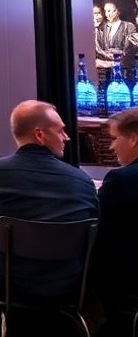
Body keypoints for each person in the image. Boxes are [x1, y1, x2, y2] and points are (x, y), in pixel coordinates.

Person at [0, 101, 99, 336]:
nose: (67, 137)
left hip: (5, 286)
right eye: (60, 130)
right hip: (67, 286)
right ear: (39, 134)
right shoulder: (81, 180)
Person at [97, 108, 138, 337]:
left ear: (133, 139)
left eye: (114, 138)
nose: (111, 147)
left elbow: (99, 234)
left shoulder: (121, 180)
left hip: (127, 293)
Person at [97, 0, 135, 82]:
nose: (109, 14)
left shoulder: (128, 26)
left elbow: (130, 50)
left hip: (124, 71)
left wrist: (118, 53)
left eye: (112, 11)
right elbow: (99, 50)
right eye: (107, 11)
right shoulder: (102, 27)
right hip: (106, 72)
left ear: (118, 10)